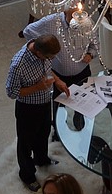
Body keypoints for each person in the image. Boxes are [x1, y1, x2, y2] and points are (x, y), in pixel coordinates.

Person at [6, 34, 69, 192]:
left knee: (43, 133)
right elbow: (12, 92)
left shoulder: (43, 54)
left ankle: (41, 160)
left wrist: (58, 81)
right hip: (28, 109)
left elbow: (48, 70)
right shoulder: (18, 64)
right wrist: (38, 87)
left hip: (44, 102)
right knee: (25, 143)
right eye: (50, 57)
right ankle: (27, 175)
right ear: (39, 53)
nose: (52, 59)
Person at [23, 9, 99, 138]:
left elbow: (95, 42)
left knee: (83, 103)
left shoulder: (87, 22)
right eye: (73, 11)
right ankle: (59, 132)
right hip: (60, 76)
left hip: (82, 73)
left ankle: (80, 125)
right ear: (65, 8)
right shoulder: (50, 22)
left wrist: (90, 54)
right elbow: (28, 31)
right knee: (59, 107)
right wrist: (41, 53)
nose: (77, 15)